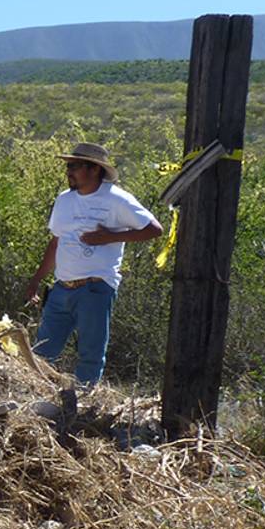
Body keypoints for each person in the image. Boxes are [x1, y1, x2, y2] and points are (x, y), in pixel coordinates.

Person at [25, 142, 162, 386]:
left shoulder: (116, 199)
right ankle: (36, 398)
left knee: (90, 354)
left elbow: (154, 229)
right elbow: (56, 242)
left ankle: (83, 405)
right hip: (61, 287)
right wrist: (36, 280)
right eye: (68, 166)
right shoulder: (64, 200)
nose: (69, 171)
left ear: (95, 169)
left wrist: (110, 237)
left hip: (95, 287)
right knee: (42, 351)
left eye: (74, 166)